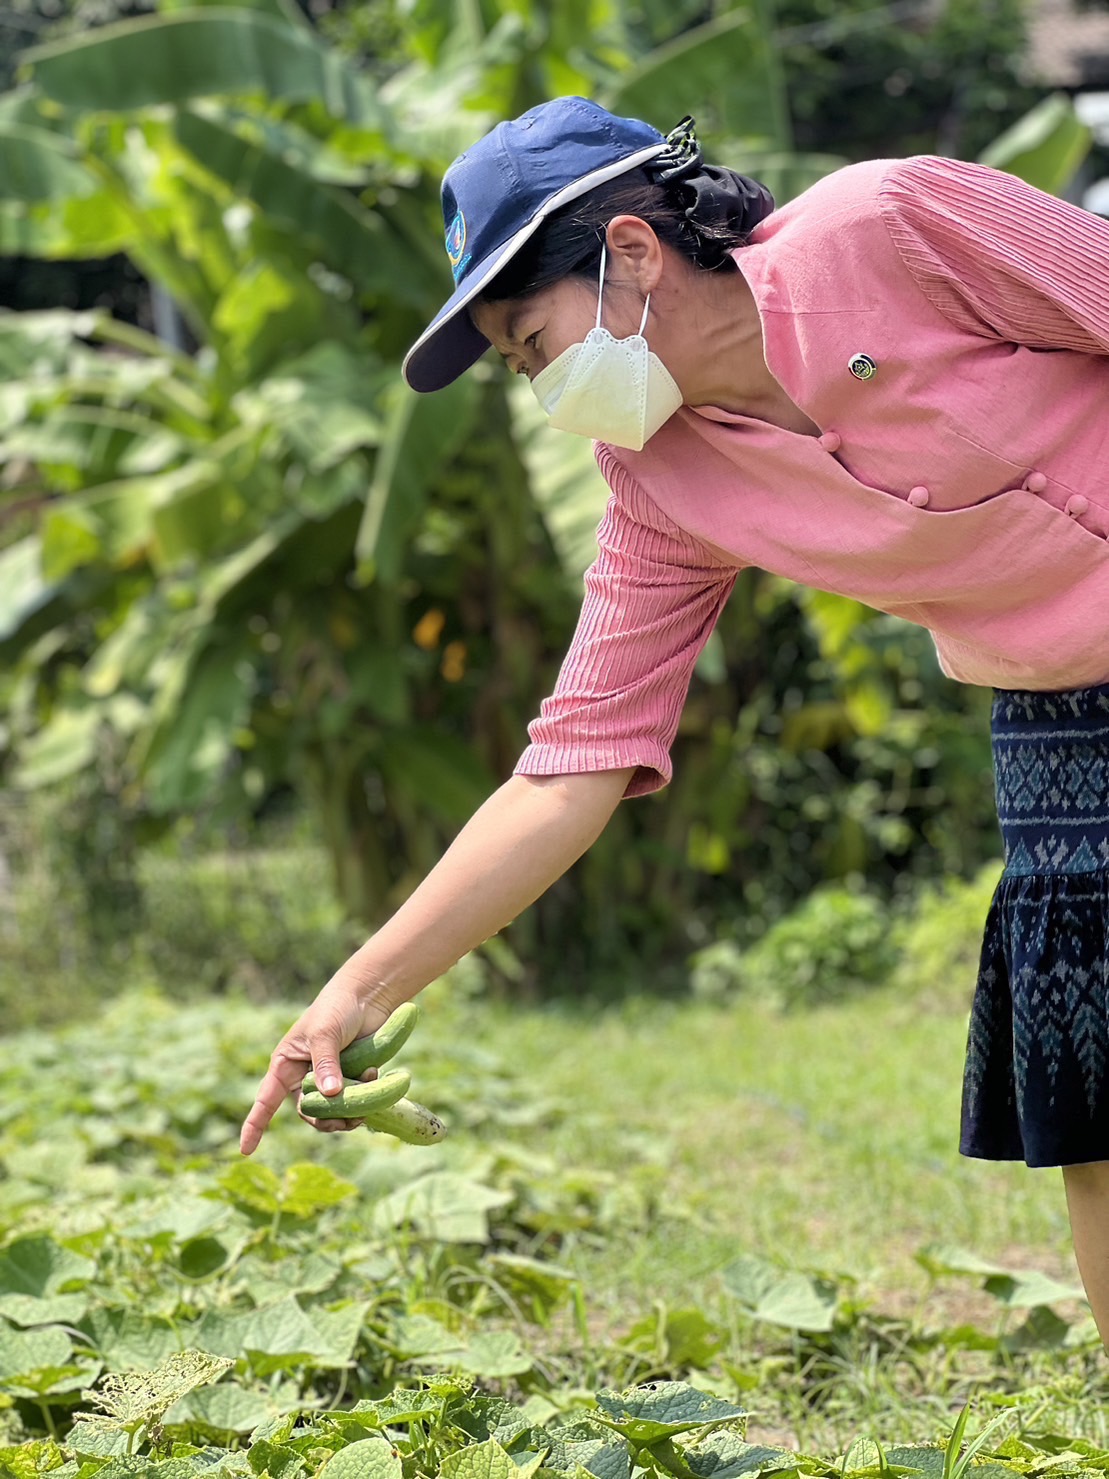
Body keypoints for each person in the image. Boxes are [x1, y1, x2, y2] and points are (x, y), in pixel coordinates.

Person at [240, 95, 1109, 1344]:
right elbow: (574, 760)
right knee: (1096, 1104)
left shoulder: (895, 223)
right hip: (1056, 710)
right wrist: (356, 992)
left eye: (528, 341)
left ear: (634, 254)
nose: (534, 384)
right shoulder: (660, 481)